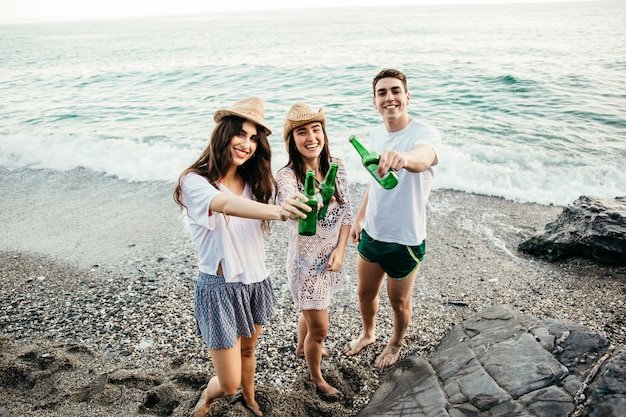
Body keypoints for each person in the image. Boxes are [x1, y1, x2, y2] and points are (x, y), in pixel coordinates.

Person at [173, 97, 310, 417]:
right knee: (228, 382)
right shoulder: (195, 181)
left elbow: (289, 188)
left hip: (255, 281)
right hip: (220, 286)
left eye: (254, 138)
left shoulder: (256, 180)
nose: (247, 144)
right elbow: (226, 204)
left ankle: (249, 400)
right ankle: (205, 401)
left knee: (249, 351)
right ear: (224, 134)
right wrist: (279, 212)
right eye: (241, 134)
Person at [344, 68, 441, 369]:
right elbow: (375, 182)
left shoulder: (424, 134)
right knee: (365, 292)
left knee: (398, 302)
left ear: (407, 97)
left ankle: (396, 342)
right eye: (382, 93)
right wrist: (360, 217)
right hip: (373, 232)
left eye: (395, 91)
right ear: (374, 102)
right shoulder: (375, 135)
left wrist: (405, 159)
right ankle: (368, 333)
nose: (390, 97)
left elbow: (425, 157)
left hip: (406, 238)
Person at [276, 103, 353, 397]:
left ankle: (300, 347)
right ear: (292, 140)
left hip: (331, 259)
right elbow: (288, 198)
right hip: (306, 265)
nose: (311, 137)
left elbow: (347, 213)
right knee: (320, 328)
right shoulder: (288, 176)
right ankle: (317, 378)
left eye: (316, 129)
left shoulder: (337, 165)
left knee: (310, 316)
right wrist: (301, 203)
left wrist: (341, 251)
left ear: (323, 132)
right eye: (301, 132)